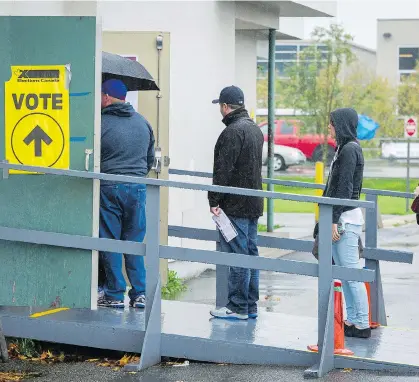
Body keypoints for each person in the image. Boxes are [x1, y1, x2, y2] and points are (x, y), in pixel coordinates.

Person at [98, 79, 155, 309]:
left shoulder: (100, 123)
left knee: (110, 240)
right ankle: (140, 293)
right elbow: (150, 160)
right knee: (134, 241)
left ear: (107, 97)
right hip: (138, 187)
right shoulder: (143, 123)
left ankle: (114, 294)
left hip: (109, 186)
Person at [208, 85, 264, 320]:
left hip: (235, 205)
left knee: (237, 253)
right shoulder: (254, 129)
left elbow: (223, 170)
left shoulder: (231, 132)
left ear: (225, 106)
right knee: (250, 252)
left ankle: (238, 306)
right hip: (253, 202)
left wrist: (214, 199)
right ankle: (250, 304)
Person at [325, 107, 371, 338]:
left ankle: (361, 323)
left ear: (341, 125)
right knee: (346, 275)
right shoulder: (345, 148)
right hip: (343, 218)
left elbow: (344, 190)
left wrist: (332, 220)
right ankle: (353, 320)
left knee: (351, 275)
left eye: (332, 123)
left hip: (345, 220)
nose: (329, 127)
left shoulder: (349, 150)